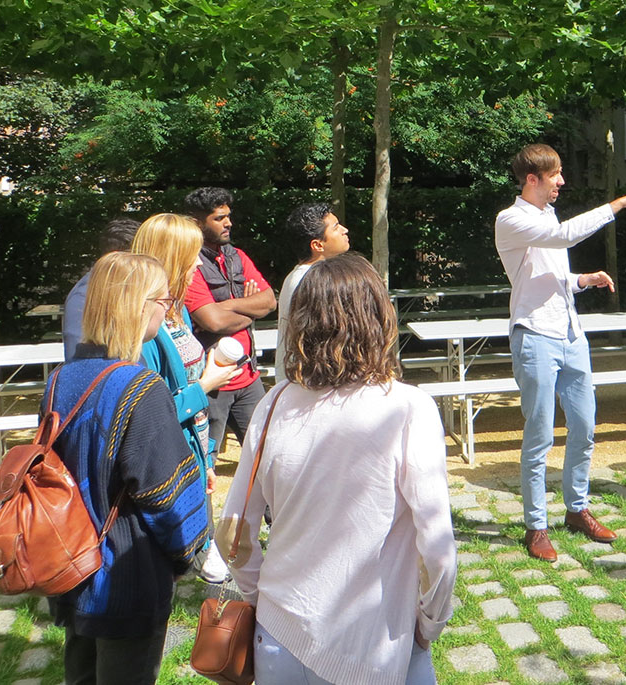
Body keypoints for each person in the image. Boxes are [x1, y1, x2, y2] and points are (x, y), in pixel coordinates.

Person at [220, 253, 455, 685]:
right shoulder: (408, 408)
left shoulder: (274, 403)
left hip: (280, 633)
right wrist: (429, 624)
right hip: (375, 641)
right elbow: (437, 550)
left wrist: (258, 599)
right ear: (379, 318)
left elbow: (234, 531)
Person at [495, 143, 626, 561]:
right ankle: (536, 526)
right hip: (534, 335)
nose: (562, 183)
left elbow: (548, 274)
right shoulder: (511, 219)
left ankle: (576, 510)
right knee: (539, 436)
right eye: (556, 176)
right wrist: (621, 203)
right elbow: (563, 236)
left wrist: (581, 279)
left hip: (571, 335)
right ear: (532, 179)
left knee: (585, 427)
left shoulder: (547, 214)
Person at [50, 251, 210, 684]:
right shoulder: (140, 387)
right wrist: (187, 554)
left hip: (71, 563)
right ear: (140, 306)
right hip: (125, 574)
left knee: (80, 674)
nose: (168, 307)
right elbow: (168, 495)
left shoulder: (61, 378)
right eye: (163, 299)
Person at [131, 213, 241, 583]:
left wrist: (206, 458)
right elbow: (150, 415)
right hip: (167, 463)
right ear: (170, 257)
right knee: (166, 572)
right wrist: (206, 384)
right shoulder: (145, 329)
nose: (199, 262)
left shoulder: (173, 313)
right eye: (193, 254)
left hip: (191, 451)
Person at [183, 187, 276, 459]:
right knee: (204, 463)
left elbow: (269, 300)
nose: (229, 223)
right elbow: (212, 321)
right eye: (219, 218)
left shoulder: (236, 256)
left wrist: (228, 306)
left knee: (266, 460)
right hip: (212, 384)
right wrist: (250, 308)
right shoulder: (190, 264)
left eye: (228, 216)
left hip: (248, 378)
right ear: (198, 223)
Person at [275, 203, 350, 383]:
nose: (344, 230)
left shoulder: (303, 276)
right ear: (317, 245)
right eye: (336, 227)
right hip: (308, 385)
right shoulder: (307, 281)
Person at [62, 218, 140, 361]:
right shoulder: (85, 295)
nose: (143, 264)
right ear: (116, 256)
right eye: (137, 256)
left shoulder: (126, 286)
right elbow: (78, 360)